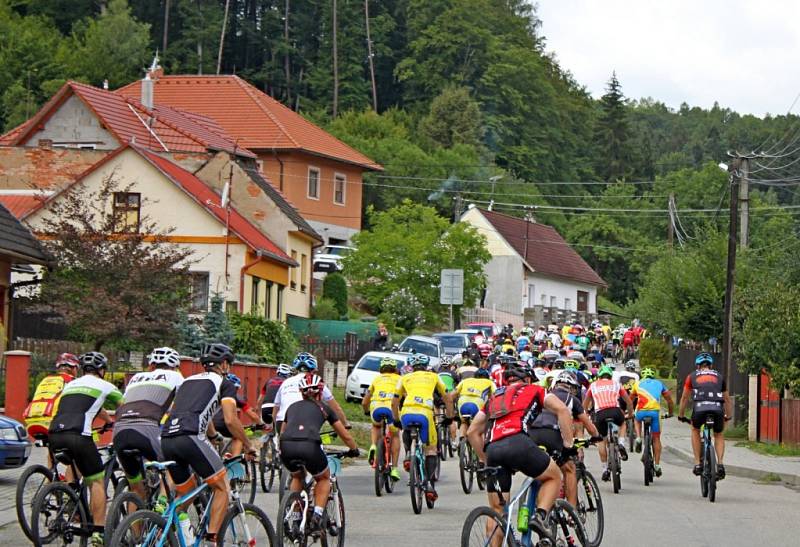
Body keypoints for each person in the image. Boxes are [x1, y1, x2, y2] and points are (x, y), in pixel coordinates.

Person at [161, 343, 255, 546]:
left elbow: (194, 411)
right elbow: (230, 420)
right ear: (223, 364)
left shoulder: (188, 381)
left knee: (185, 492)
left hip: (167, 438)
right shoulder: (224, 383)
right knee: (221, 487)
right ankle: (212, 539)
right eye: (229, 363)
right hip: (191, 437)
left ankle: (166, 528)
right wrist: (248, 445)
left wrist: (213, 436)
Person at [466, 363, 574, 528]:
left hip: (493, 448)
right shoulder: (535, 390)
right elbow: (562, 410)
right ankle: (540, 515)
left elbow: (472, 432)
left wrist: (485, 460)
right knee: (554, 477)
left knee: (497, 510)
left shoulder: (494, 396)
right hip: (518, 442)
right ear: (529, 379)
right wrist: (568, 445)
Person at [48, 352, 122, 546]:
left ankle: (71, 500)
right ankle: (98, 531)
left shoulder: (71, 385)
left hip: (55, 434)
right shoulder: (106, 386)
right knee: (96, 480)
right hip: (78, 435)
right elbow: (124, 406)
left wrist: (107, 418)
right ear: (101, 370)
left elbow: (89, 407)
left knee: (75, 466)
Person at [281, 374, 359, 533]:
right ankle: (317, 515)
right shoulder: (324, 407)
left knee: (297, 476)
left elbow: (283, 431)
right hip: (309, 445)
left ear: (301, 392)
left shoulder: (292, 407)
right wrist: (354, 449)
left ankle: (296, 517)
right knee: (323, 478)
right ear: (320, 392)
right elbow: (344, 435)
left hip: (286, 445)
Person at [113, 347, 184, 509]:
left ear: (151, 365)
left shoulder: (136, 377)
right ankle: (162, 505)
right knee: (173, 465)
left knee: (136, 490)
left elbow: (123, 405)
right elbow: (181, 408)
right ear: (174, 366)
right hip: (147, 429)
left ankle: (135, 534)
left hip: (120, 431)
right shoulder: (176, 377)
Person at [529, 370, 601, 507]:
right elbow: (589, 426)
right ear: (573, 388)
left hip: (532, 434)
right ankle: (571, 511)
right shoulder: (572, 399)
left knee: (540, 469)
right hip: (551, 434)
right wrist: (596, 436)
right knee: (569, 469)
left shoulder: (544, 395)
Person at [391, 353, 453, 502]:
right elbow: (447, 398)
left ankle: (408, 454)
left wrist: (396, 419)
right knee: (431, 449)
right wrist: (450, 416)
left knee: (406, 429)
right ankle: (430, 484)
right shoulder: (433, 376)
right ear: (426, 366)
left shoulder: (404, 378)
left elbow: (394, 402)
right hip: (425, 412)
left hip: (407, 411)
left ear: (412, 367)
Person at [679, 352, 732, 480]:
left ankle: (697, 463)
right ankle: (720, 464)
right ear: (711, 365)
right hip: (717, 409)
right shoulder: (719, 376)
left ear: (698, 366)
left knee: (695, 429)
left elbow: (685, 397)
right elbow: (727, 399)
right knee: (718, 434)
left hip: (700, 409)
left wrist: (681, 415)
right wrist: (728, 416)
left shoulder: (692, 376)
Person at [274, 352, 349, 431]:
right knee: (313, 441)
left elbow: (276, 406)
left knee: (284, 441)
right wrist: (345, 424)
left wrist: (273, 427)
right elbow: (336, 407)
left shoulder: (286, 382)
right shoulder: (316, 381)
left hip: (281, 422)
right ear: (313, 369)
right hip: (303, 423)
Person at [583, 365, 633, 481]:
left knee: (601, 440)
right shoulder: (616, 384)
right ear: (610, 376)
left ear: (599, 376)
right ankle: (621, 442)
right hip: (615, 411)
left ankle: (605, 469)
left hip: (600, 413)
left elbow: (585, 405)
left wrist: (587, 415)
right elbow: (629, 402)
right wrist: (629, 414)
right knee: (622, 423)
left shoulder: (593, 385)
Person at [362, 357, 402, 482]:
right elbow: (405, 396)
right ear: (395, 369)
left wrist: (367, 411)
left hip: (377, 407)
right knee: (395, 435)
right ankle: (394, 468)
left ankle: (374, 446)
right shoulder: (399, 379)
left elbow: (364, 402)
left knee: (376, 426)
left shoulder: (376, 379)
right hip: (390, 407)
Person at [24, 353, 80, 440]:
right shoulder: (72, 381)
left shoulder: (46, 379)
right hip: (54, 423)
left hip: (32, 423)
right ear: (73, 368)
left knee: (53, 447)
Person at [632, 368, 674, 477]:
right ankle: (657, 465)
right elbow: (669, 400)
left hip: (641, 412)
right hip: (655, 413)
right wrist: (670, 413)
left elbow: (630, 398)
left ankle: (637, 437)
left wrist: (629, 411)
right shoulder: (659, 383)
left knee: (636, 419)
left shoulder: (637, 383)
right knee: (656, 438)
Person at [210, 373, 263, 456]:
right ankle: (235, 460)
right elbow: (252, 415)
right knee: (239, 436)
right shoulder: (235, 396)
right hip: (223, 423)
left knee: (211, 439)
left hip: (209, 424)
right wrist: (260, 424)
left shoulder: (213, 393)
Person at [451, 367, 495, 442]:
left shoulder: (465, 381)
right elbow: (495, 396)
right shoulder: (490, 382)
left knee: (464, 422)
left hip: (462, 403)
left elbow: (453, 394)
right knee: (481, 426)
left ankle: (462, 442)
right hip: (478, 403)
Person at [257, 363, 294, 429]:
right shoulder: (288, 383)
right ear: (288, 374)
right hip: (278, 409)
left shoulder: (269, 381)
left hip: (265, 409)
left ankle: (269, 436)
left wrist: (260, 416)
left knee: (269, 428)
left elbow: (259, 401)